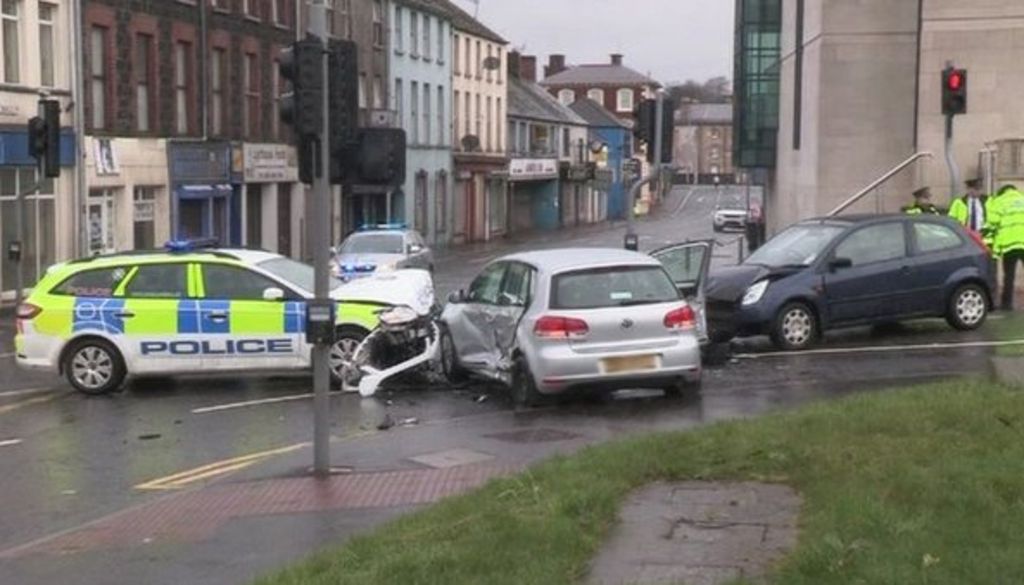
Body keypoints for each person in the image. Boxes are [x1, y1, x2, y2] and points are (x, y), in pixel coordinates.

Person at [988, 185, 1024, 311]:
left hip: (1010, 244)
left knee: (1009, 275)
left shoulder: (1000, 201)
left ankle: (1007, 304)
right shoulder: (1023, 199)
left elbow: (992, 222)